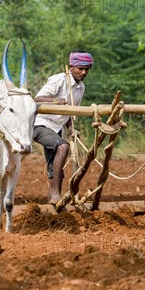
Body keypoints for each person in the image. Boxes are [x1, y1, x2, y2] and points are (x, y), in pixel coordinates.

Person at [33, 50, 93, 205]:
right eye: (80, 68)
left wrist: (71, 128)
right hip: (41, 124)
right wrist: (55, 101)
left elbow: (70, 113)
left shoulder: (81, 87)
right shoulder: (59, 80)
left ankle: (52, 203)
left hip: (57, 128)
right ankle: (55, 194)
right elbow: (37, 99)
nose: (84, 72)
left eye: (87, 69)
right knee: (63, 147)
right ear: (71, 67)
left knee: (54, 167)